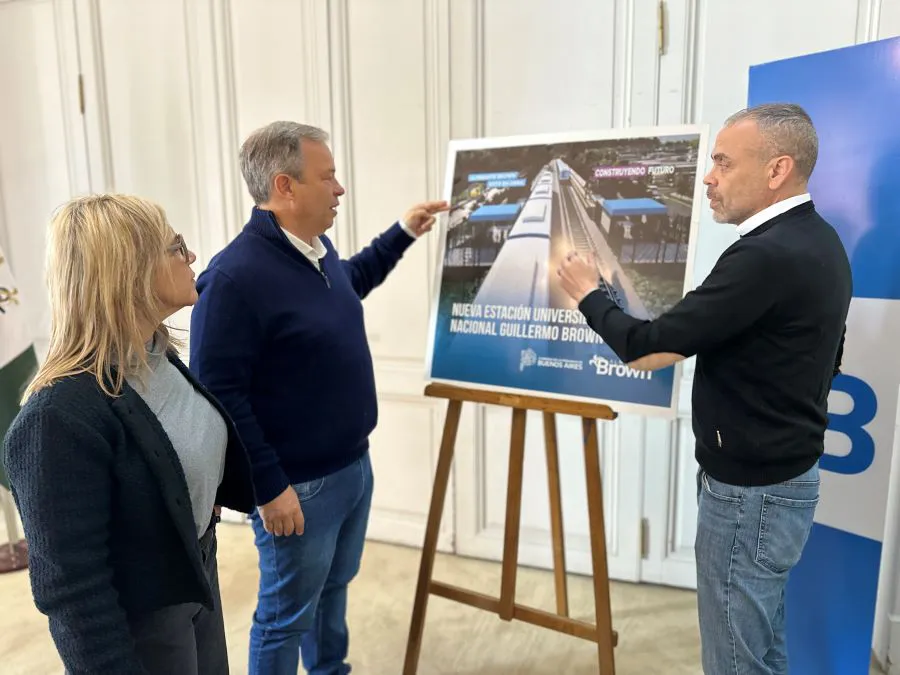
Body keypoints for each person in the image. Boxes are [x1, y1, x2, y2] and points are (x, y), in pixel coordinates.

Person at [557, 103, 851, 674]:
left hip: (749, 496)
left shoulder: (763, 257)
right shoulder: (820, 240)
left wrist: (589, 294)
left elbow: (647, 349)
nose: (708, 178)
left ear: (777, 169)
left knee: (735, 661)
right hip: (785, 482)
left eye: (723, 163)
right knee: (762, 647)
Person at [188, 120, 448, 675]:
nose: (339, 188)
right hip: (297, 488)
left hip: (353, 466)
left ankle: (330, 670)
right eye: (327, 176)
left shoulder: (315, 252)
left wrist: (403, 232)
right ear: (285, 186)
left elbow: (351, 280)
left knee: (334, 588)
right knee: (285, 618)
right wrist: (269, 486)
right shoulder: (233, 278)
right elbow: (218, 393)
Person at [2, 194, 256, 674]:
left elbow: (171, 450)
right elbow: (73, 593)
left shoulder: (155, 354)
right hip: (143, 615)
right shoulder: (55, 419)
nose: (191, 255)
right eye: (176, 246)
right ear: (129, 271)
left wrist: (197, 497)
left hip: (194, 568)